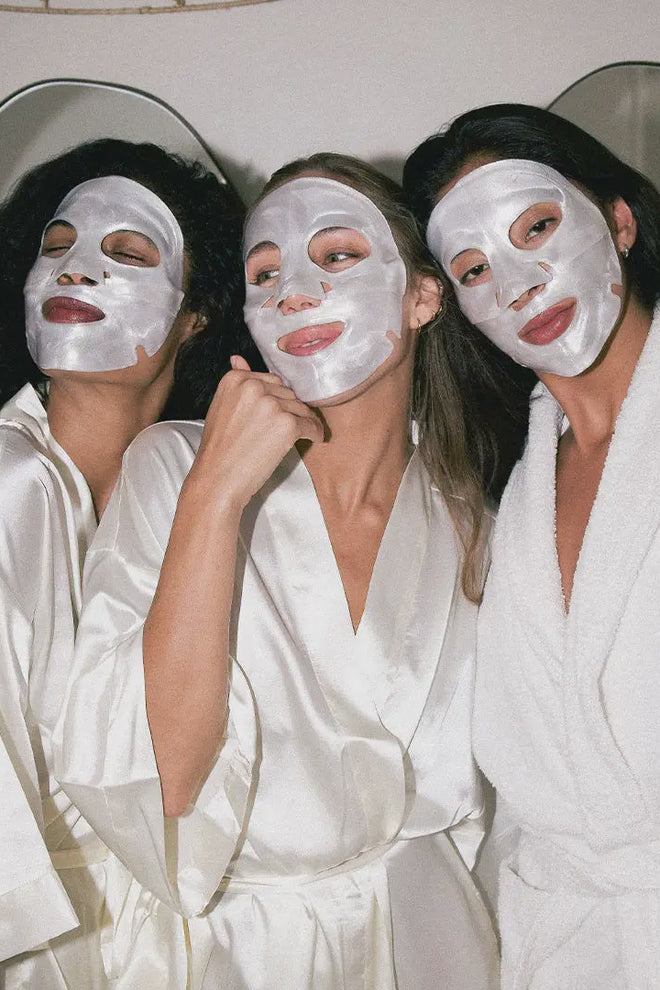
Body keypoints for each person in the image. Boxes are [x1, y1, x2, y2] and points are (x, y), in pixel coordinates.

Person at [56, 153, 500, 989]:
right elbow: (166, 778)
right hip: (237, 955)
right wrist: (216, 493)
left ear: (422, 297)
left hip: (430, 939)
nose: (294, 290)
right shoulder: (174, 466)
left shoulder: (470, 521)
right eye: (266, 273)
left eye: (336, 255)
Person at [403, 103, 660, 989]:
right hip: (559, 940)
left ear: (620, 223)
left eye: (538, 228)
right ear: (462, 311)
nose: (517, 283)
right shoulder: (509, 487)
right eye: (475, 269)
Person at [0, 137, 250, 986]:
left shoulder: (195, 480)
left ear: (196, 313)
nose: (76, 271)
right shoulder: (12, 483)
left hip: (184, 941)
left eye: (126, 253)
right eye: (57, 246)